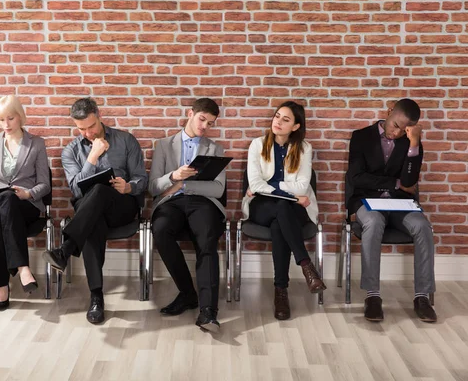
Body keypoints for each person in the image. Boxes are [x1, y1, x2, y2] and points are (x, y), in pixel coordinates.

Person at [42, 97, 148, 324]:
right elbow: (76, 191)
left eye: (91, 126)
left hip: (121, 206)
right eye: (82, 129)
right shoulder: (70, 151)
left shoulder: (125, 140)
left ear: (99, 116)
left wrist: (128, 186)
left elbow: (142, 179)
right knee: (93, 219)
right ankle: (96, 297)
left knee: (100, 191)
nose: (88, 133)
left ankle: (66, 249)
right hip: (88, 211)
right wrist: (93, 156)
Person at [347, 98, 436, 322]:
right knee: (374, 222)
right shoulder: (361, 137)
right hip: (366, 203)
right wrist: (395, 184)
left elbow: (410, 180)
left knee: (422, 225)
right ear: (388, 112)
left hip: (400, 205)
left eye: (403, 129)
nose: (396, 133)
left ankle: (421, 297)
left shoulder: (410, 142)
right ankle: (373, 296)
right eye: (395, 125)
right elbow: (357, 178)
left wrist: (414, 143)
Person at [148, 98, 227, 333]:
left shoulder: (215, 149)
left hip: (202, 203)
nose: (204, 127)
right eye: (202, 119)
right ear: (190, 113)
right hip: (170, 203)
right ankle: (187, 294)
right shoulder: (163, 145)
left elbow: (218, 189)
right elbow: (153, 187)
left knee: (207, 238)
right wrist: (174, 176)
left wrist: (183, 185)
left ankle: (208, 311)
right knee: (161, 230)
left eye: (210, 123)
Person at [242, 101, 326, 321]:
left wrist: (271, 187)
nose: (278, 122)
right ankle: (306, 266)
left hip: (293, 208)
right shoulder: (257, 145)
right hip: (262, 207)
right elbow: (255, 183)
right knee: (281, 208)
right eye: (277, 116)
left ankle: (281, 291)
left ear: (296, 126)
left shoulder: (304, 148)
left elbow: (301, 186)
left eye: (285, 119)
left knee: (281, 220)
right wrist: (290, 193)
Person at [0, 95, 50, 311]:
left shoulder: (36, 144)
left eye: (10, 119)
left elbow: (44, 184)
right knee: (5, 197)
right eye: (1, 120)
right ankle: (22, 267)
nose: (5, 125)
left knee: (2, 214)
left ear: (20, 117)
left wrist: (28, 194)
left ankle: (1, 286)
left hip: (25, 204)